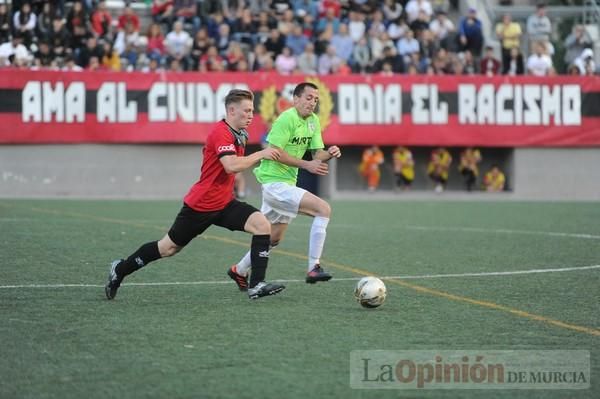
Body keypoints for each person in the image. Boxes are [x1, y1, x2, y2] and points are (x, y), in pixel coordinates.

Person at [105, 90, 285, 300]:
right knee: (168, 248)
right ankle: (120, 270)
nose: (251, 115)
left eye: (252, 110)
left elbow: (233, 170)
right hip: (201, 205)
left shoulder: (241, 134)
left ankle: (256, 285)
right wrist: (261, 154)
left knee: (262, 225)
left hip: (224, 203)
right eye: (247, 110)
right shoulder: (221, 132)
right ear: (231, 110)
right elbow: (230, 166)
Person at [228, 82, 342, 290]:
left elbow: (317, 155)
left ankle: (239, 270)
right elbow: (275, 152)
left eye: (316, 99)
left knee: (272, 238)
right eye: (308, 98)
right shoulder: (286, 118)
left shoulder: (314, 121)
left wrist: (330, 153)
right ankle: (313, 267)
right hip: (274, 184)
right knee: (323, 209)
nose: (313, 103)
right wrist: (307, 164)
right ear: (296, 99)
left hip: (285, 184)